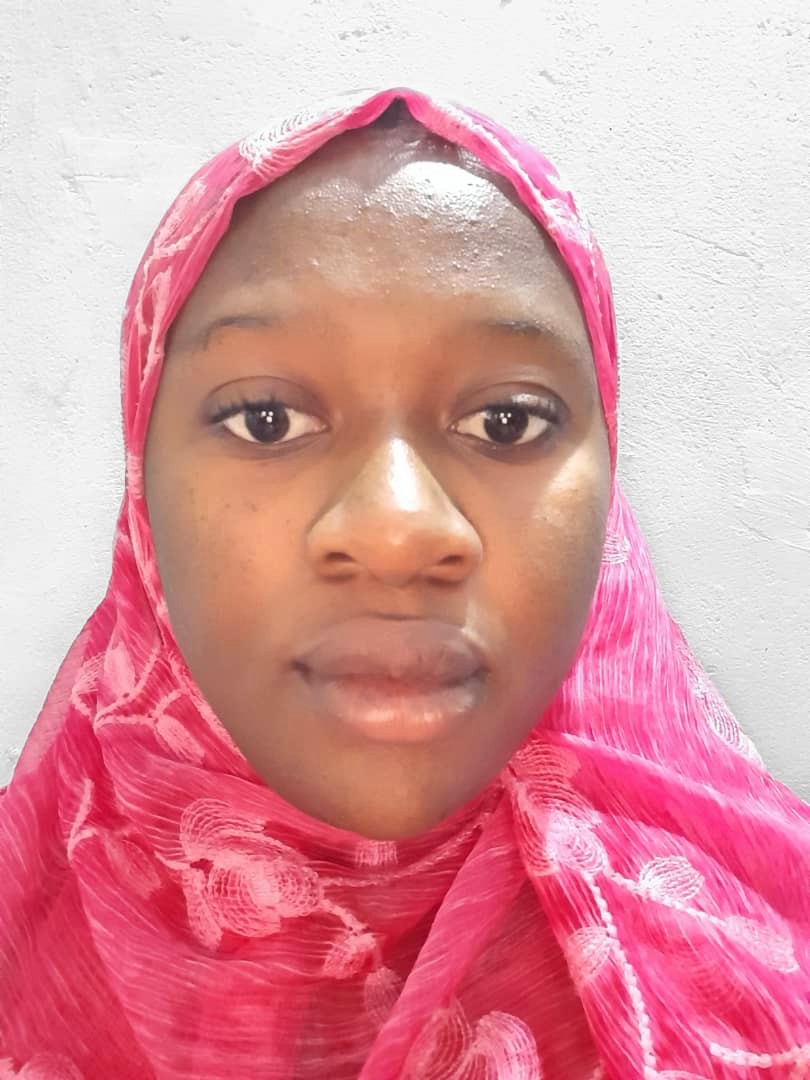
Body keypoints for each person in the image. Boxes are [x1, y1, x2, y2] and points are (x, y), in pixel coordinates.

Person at [0, 86, 808, 1080]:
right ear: (142, 488)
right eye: (265, 420)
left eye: (507, 421)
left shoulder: (766, 998)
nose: (396, 533)